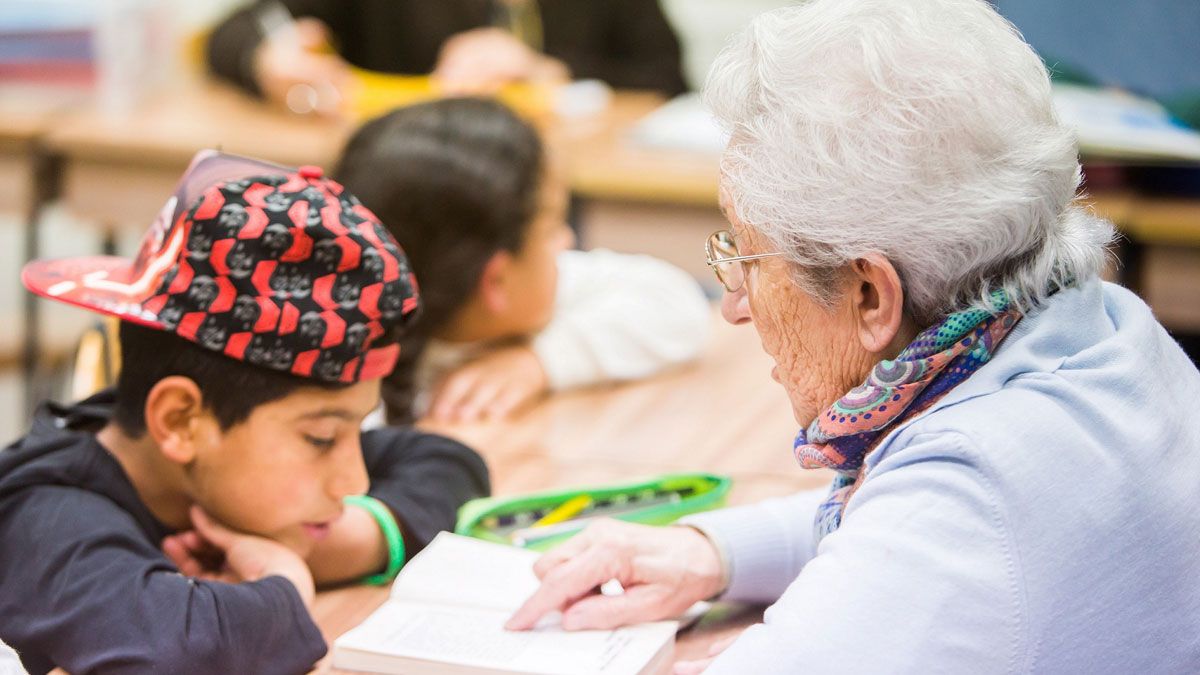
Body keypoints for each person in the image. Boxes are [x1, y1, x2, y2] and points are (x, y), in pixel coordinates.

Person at [504, 0, 1200, 672]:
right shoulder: (1103, 326)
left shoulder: (966, 499)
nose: (734, 307)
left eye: (747, 255)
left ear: (870, 294)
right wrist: (712, 551)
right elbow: (896, 516)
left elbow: (936, 521)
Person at [0, 152, 490, 674]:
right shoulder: (45, 519)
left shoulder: (234, 461)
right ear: (181, 421)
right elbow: (175, 652)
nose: (353, 480)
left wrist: (351, 539)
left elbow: (449, 464)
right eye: (322, 439)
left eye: (357, 430)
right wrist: (285, 583)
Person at [333, 98, 711, 424]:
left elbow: (675, 299)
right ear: (495, 281)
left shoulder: (503, 300)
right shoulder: (351, 402)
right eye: (549, 230)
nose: (566, 240)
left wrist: (540, 362)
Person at [206, 0, 688, 113]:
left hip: (571, 198)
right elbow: (235, 31)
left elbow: (668, 74)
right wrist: (266, 56)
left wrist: (549, 68)